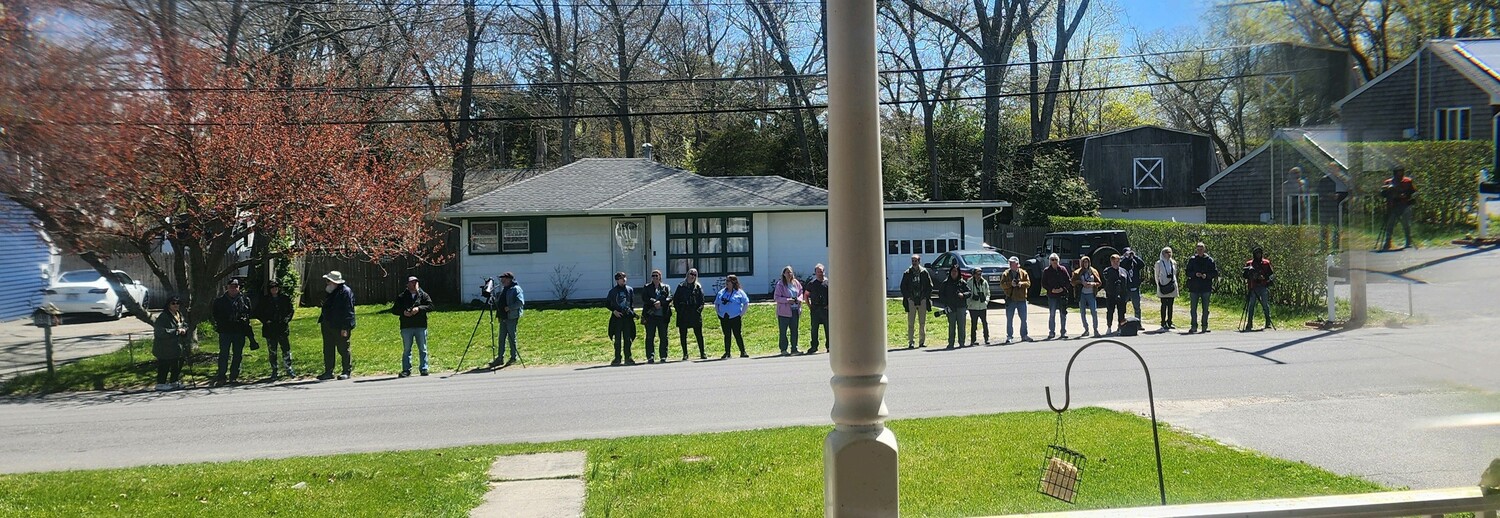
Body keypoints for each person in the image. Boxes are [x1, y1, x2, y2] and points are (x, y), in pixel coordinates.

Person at [211, 278, 254, 385]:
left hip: (239, 331)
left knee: (237, 354)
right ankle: (221, 377)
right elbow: (215, 315)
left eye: (235, 287)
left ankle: (234, 376)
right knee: (224, 354)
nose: (233, 289)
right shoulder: (219, 301)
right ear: (227, 288)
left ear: (239, 288)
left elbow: (249, 314)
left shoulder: (245, 300)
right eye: (231, 287)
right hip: (225, 331)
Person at [317, 271, 356, 380]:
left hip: (340, 326)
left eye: (328, 281)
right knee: (328, 349)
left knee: (343, 348)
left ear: (334, 282)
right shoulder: (331, 292)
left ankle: (346, 371)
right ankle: (329, 372)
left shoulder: (345, 292)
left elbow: (348, 311)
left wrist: (345, 327)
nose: (327, 283)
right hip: (328, 325)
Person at [393, 276, 434, 377]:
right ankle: (406, 369)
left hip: (421, 326)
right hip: (406, 326)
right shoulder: (402, 297)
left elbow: (431, 306)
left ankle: (424, 368)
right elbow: (394, 310)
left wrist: (419, 309)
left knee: (423, 348)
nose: (415, 284)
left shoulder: (423, 295)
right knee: (407, 349)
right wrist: (403, 312)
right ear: (407, 284)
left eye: (416, 282)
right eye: (412, 282)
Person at [256, 280, 296, 379]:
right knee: (272, 351)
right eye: (272, 288)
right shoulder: (264, 300)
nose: (275, 289)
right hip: (270, 329)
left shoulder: (285, 298)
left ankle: (288, 368)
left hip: (282, 328)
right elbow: (258, 312)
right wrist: (266, 321)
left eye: (276, 287)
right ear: (269, 289)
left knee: (286, 349)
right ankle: (274, 370)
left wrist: (286, 320)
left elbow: (290, 310)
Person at [152, 296, 189, 391]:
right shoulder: (163, 316)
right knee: (164, 364)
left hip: (177, 346)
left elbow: (184, 325)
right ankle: (160, 383)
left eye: (177, 303)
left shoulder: (179, 314)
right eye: (173, 303)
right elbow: (160, 331)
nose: (176, 305)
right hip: (164, 346)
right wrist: (176, 331)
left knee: (176, 364)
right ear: (168, 305)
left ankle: (174, 381)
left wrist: (184, 329)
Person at [489, 272, 525, 367]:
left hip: (511, 317)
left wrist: (510, 307)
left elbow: (520, 302)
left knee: (511, 337)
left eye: (503, 278)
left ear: (509, 279)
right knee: (501, 338)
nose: (501, 280)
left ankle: (513, 357)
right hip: (503, 317)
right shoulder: (504, 289)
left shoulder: (516, 289)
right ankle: (500, 358)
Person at [900, 254, 934, 348]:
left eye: (915, 261)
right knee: (911, 323)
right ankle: (911, 342)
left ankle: (921, 342)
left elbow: (930, 286)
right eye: (912, 261)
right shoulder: (907, 273)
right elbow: (903, 287)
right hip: (911, 300)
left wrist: (925, 297)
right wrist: (908, 297)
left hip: (922, 300)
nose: (914, 263)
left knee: (922, 322)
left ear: (919, 261)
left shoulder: (924, 272)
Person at [1185, 242, 1219, 334]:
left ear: (1204, 250)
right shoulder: (1192, 260)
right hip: (1194, 287)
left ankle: (1204, 326)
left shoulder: (1210, 260)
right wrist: (1195, 274)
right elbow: (1187, 272)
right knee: (1193, 309)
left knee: (1205, 309)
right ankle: (1193, 326)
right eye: (1198, 249)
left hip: (1206, 287)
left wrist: (1206, 275)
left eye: (1201, 249)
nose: (1199, 251)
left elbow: (1215, 273)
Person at [673, 268, 707, 360]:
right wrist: (679, 310)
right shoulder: (681, 286)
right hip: (683, 314)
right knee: (683, 335)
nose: (692, 276)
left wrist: (698, 311)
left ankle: (702, 353)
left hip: (694, 314)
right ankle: (685, 354)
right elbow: (675, 300)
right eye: (691, 274)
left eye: (695, 275)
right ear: (687, 274)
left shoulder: (698, 287)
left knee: (699, 334)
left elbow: (702, 301)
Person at [1381, 166, 1418, 251]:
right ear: (1395, 172)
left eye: (1401, 171)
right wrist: (1387, 191)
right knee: (1390, 224)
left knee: (1406, 224)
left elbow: (1414, 192)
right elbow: (1383, 194)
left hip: (1405, 205)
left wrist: (1406, 195)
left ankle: (1408, 242)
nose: (1400, 173)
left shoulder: (1408, 181)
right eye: (1398, 172)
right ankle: (1387, 242)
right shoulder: (1388, 182)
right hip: (1392, 205)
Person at [714, 274, 750, 359]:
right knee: (727, 335)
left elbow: (746, 303)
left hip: (735, 317)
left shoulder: (739, 292)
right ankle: (727, 352)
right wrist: (719, 313)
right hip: (724, 317)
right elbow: (716, 303)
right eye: (726, 281)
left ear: (733, 282)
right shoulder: (722, 292)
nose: (726, 283)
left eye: (728, 281)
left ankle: (742, 351)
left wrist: (741, 314)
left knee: (737, 334)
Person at [641, 269, 672, 363]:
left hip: (662, 316)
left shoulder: (665, 287)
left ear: (660, 277)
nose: (654, 278)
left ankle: (663, 356)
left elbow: (670, 297)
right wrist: (654, 301)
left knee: (663, 336)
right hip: (650, 316)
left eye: (656, 276)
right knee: (650, 336)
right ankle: (650, 356)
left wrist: (661, 303)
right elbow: (644, 298)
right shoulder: (647, 287)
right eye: (653, 276)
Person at [606, 272, 637, 366]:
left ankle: (628, 357)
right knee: (618, 339)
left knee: (628, 338)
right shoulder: (612, 291)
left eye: (624, 277)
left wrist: (631, 313)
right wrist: (614, 311)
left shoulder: (630, 289)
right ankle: (617, 358)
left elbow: (631, 303)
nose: (623, 279)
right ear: (617, 280)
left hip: (627, 318)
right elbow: (607, 304)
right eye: (621, 278)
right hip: (617, 318)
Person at [998, 256, 1032, 344]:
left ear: (1017, 264)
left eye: (1012, 263)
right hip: (1011, 299)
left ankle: (1024, 335)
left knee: (1024, 319)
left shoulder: (1023, 273)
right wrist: (1010, 284)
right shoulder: (1006, 273)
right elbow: (1002, 285)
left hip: (1021, 299)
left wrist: (1020, 283)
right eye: (1010, 262)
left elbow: (1028, 283)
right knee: (1009, 319)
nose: (1010, 264)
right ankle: (1009, 336)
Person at [937, 265, 970, 349]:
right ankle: (951, 343)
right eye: (952, 271)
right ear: (950, 272)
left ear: (958, 272)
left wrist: (963, 295)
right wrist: (946, 303)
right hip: (951, 308)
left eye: (956, 271)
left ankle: (961, 342)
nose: (954, 273)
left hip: (961, 307)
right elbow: (941, 295)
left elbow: (969, 292)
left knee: (961, 326)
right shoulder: (946, 283)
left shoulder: (962, 282)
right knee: (952, 326)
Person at [773, 266, 803, 356]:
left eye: (790, 272)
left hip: (794, 310)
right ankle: (783, 349)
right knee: (783, 331)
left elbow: (801, 292)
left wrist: (798, 299)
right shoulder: (780, 284)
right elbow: (777, 298)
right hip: (784, 312)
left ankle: (794, 349)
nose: (789, 274)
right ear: (784, 274)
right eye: (787, 272)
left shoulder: (796, 283)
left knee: (794, 330)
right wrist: (787, 300)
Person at [1243, 247, 1274, 332]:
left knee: (1265, 304)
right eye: (1256, 253)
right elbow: (1245, 275)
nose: (1258, 255)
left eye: (1259, 253)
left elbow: (1271, 275)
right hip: (1253, 286)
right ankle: (1249, 323)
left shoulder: (1266, 263)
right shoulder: (1249, 264)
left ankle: (1268, 322)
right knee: (1251, 305)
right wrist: (1252, 275)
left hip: (1263, 286)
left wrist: (1265, 279)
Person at [1041, 253, 1071, 339]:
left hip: (1062, 295)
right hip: (1052, 296)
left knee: (1063, 314)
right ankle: (1051, 332)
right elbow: (1044, 283)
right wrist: (1051, 290)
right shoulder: (1046, 271)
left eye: (1056, 260)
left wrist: (1063, 288)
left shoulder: (1063, 269)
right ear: (1050, 261)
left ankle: (1063, 332)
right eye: (1052, 260)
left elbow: (1068, 281)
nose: (1054, 261)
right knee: (1052, 314)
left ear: (1058, 261)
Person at [1072, 256, 1102, 338]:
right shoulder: (1077, 272)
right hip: (1082, 294)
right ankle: (1086, 329)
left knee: (1094, 312)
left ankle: (1095, 330)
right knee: (1082, 312)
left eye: (1087, 262)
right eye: (1084, 262)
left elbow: (1099, 282)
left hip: (1091, 294)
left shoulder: (1093, 271)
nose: (1086, 264)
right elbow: (1072, 282)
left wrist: (1092, 284)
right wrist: (1081, 282)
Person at [804, 264, 829, 354]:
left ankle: (829, 346)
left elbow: (834, 294)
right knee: (814, 329)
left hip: (826, 309)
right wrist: (809, 305)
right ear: (815, 273)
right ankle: (814, 346)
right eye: (818, 271)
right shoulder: (811, 284)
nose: (820, 273)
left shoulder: (828, 282)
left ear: (824, 271)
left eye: (821, 271)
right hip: (815, 309)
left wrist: (830, 305)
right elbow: (806, 295)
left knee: (828, 328)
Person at [1102, 254, 1129, 334]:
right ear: (1111, 262)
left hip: (1122, 295)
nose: (1116, 263)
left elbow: (1127, 282)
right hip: (1111, 295)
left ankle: (1120, 328)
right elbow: (1106, 278)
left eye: (1118, 261)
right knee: (1110, 311)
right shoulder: (1107, 271)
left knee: (1121, 313)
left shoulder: (1123, 271)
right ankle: (1109, 327)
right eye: (1114, 261)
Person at [1155, 247, 1179, 331]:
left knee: (1171, 305)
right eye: (1166, 252)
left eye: (1170, 252)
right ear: (1163, 253)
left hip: (1171, 286)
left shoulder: (1173, 262)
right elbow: (1156, 275)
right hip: (1163, 286)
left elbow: (1175, 273)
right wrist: (1159, 285)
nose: (1168, 254)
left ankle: (1169, 321)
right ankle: (1163, 322)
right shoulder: (1159, 263)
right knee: (1164, 304)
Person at [965, 266, 990, 346]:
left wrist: (985, 302)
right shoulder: (969, 282)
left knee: (984, 323)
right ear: (973, 274)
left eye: (980, 273)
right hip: (973, 307)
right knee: (974, 324)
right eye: (977, 273)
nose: (979, 275)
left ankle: (986, 338)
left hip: (982, 306)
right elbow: (967, 294)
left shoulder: (984, 282)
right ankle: (973, 340)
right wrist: (969, 303)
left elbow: (988, 293)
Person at [1121, 247, 1147, 320]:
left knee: (1137, 307)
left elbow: (1142, 264)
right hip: (1125, 289)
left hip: (1135, 288)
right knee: (1122, 307)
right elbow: (1120, 265)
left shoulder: (1135, 261)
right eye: (1127, 253)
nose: (1129, 255)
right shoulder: (1122, 260)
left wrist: (1135, 256)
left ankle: (1138, 323)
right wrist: (1126, 257)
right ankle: (1122, 324)